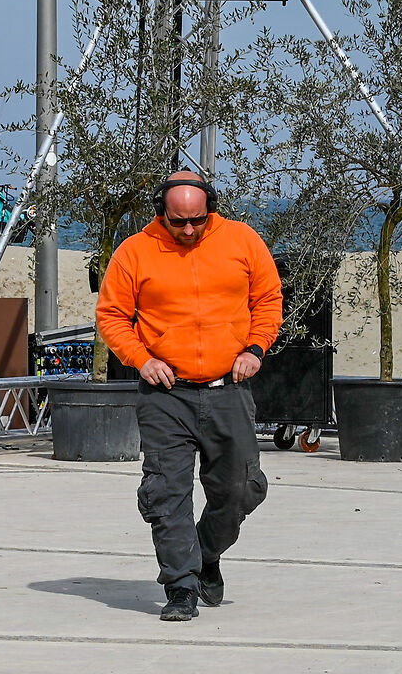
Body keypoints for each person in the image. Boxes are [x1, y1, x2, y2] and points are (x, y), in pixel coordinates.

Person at [96, 169, 282, 622]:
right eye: (178, 221)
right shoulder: (135, 251)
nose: (188, 230)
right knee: (166, 492)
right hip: (166, 394)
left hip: (228, 389)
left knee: (242, 488)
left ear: (209, 210)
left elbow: (268, 299)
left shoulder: (242, 241)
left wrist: (256, 348)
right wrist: (141, 359)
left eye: (197, 220)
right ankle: (181, 586)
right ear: (162, 213)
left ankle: (206, 554)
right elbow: (112, 315)